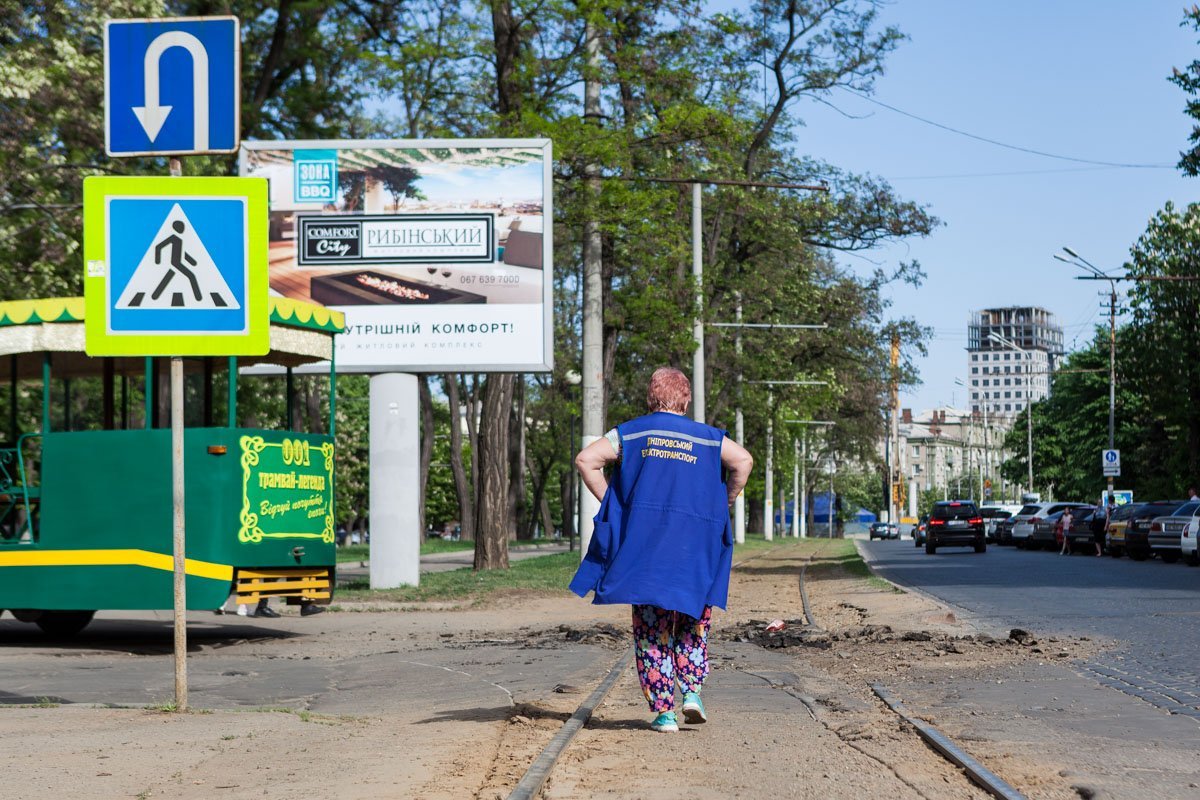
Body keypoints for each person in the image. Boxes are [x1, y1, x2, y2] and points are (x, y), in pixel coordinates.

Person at [569, 367, 753, 733]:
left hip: (646, 552)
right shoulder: (709, 438)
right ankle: (692, 693)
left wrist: (616, 506)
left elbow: (585, 460)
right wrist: (724, 503)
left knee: (651, 629)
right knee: (693, 621)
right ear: (685, 400)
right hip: (695, 550)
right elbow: (743, 461)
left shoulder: (631, 433)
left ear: (651, 398)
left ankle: (665, 713)